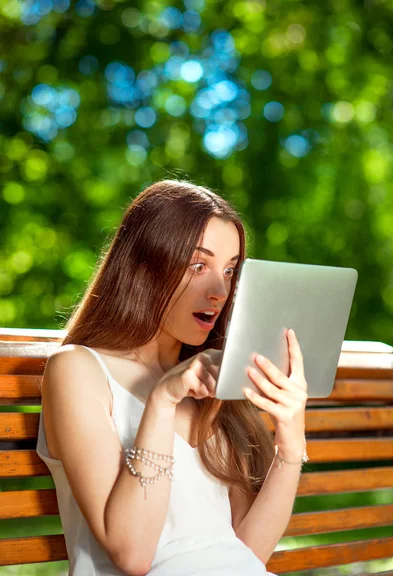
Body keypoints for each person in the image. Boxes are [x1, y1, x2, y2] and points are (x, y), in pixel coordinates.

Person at [36, 179, 308, 576]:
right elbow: (131, 555)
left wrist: (290, 438)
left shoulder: (211, 383)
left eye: (230, 271)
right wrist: (162, 402)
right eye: (199, 265)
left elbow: (247, 553)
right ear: (145, 266)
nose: (220, 290)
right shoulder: (78, 370)